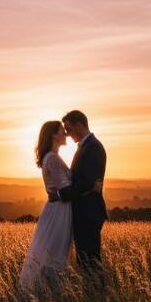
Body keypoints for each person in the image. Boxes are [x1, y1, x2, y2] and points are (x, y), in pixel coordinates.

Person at [51, 110, 107, 279]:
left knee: (90, 262)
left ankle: (97, 297)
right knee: (85, 262)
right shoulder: (86, 146)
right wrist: (89, 186)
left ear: (79, 125)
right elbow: (86, 184)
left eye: (68, 129)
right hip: (84, 212)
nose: (67, 134)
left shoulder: (93, 147)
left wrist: (60, 194)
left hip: (89, 213)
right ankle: (93, 295)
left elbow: (86, 183)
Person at [19, 121, 74, 290]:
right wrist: (89, 187)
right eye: (61, 131)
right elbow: (66, 188)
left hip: (58, 208)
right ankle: (48, 291)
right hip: (59, 210)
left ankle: (49, 290)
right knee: (54, 251)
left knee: (53, 250)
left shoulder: (51, 157)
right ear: (53, 135)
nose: (65, 133)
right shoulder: (52, 158)